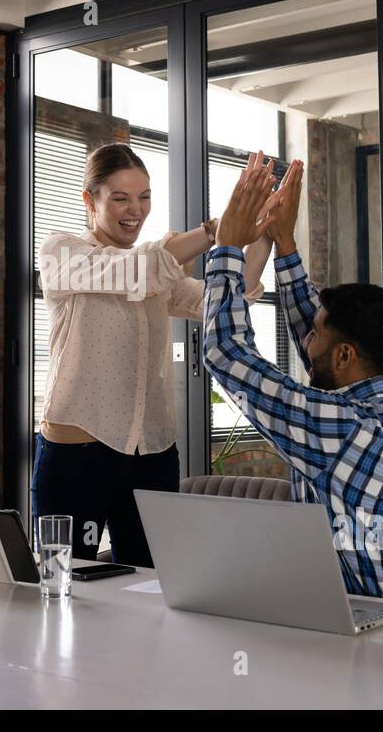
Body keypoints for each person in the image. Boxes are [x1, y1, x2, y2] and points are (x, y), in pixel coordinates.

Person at [202, 157, 383, 603]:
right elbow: (322, 354)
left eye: (317, 333)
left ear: (344, 354)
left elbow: (225, 353)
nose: (306, 339)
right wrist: (285, 244)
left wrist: (225, 249)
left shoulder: (343, 430)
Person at [33, 142, 275, 566]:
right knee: (62, 577)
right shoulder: (63, 253)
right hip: (77, 454)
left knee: (154, 582)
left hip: (154, 455)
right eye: (121, 198)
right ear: (90, 199)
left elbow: (224, 301)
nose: (136, 210)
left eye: (144, 197)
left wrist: (263, 233)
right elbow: (136, 269)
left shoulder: (155, 266)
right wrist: (217, 230)